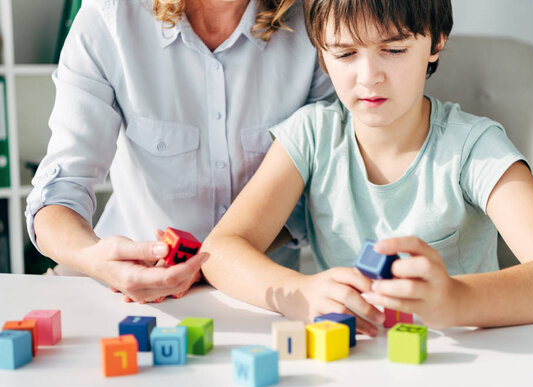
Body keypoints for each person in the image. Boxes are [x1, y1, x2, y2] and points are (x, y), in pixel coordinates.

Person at [200, 0, 533, 335]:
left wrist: (456, 300)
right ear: (320, 52)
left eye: (393, 50)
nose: (369, 76)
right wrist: (300, 293)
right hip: (353, 366)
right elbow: (219, 250)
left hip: (464, 366)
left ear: (436, 43)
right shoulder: (310, 135)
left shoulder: (474, 147)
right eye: (344, 53)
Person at [25, 0, 335, 303]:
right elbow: (59, 192)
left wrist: (221, 260)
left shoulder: (316, 22)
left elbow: (317, 190)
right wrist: (92, 257)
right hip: (122, 290)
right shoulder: (109, 21)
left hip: (262, 293)